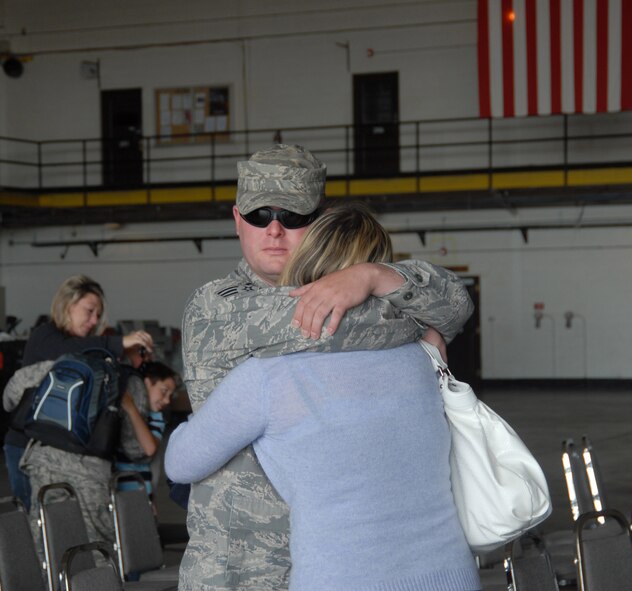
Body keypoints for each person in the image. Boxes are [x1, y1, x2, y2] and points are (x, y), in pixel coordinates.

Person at [178, 144, 474, 590]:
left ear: (319, 224)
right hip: (242, 561)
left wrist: (371, 276)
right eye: (259, 215)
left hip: (340, 557)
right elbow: (438, 310)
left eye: (293, 216)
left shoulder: (359, 292)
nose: (274, 230)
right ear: (237, 220)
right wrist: (382, 288)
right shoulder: (215, 307)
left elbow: (456, 303)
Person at [2, 275, 152, 521]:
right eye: (90, 311)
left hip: (63, 449)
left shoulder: (87, 348)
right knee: (36, 519)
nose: (94, 321)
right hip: (25, 445)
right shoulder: (45, 336)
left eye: (97, 315)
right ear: (68, 305)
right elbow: (66, 354)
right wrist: (118, 342)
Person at [114, 360, 179, 500]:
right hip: (116, 486)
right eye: (164, 391)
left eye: (170, 396)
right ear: (147, 383)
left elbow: (149, 448)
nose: (167, 400)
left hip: (140, 490)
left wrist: (131, 409)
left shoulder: (157, 418)